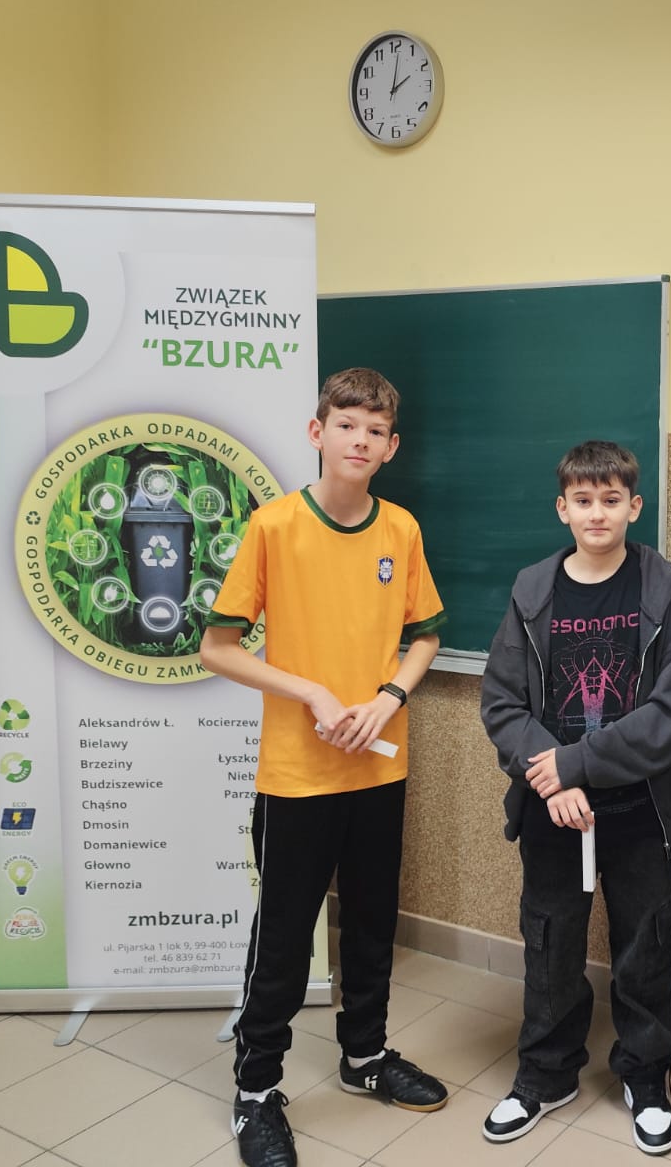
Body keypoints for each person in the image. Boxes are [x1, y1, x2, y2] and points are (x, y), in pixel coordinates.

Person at [201, 368, 449, 1167]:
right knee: (283, 937)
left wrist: (390, 696)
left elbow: (425, 636)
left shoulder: (401, 529)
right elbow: (217, 647)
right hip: (297, 775)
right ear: (318, 433)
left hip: (378, 769)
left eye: (375, 431)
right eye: (346, 425)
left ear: (392, 446)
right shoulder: (274, 526)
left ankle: (365, 1056)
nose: (360, 441)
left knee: (373, 924)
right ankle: (255, 1091)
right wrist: (307, 689)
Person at [479, 440, 671, 1156]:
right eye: (583, 500)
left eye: (611, 500)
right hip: (552, 809)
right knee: (550, 945)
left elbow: (668, 716)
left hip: (638, 809)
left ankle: (646, 1076)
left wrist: (575, 765)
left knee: (645, 944)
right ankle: (545, 1076)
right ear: (562, 508)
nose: (596, 513)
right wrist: (553, 780)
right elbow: (502, 703)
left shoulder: (663, 590)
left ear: (635, 506)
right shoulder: (533, 590)